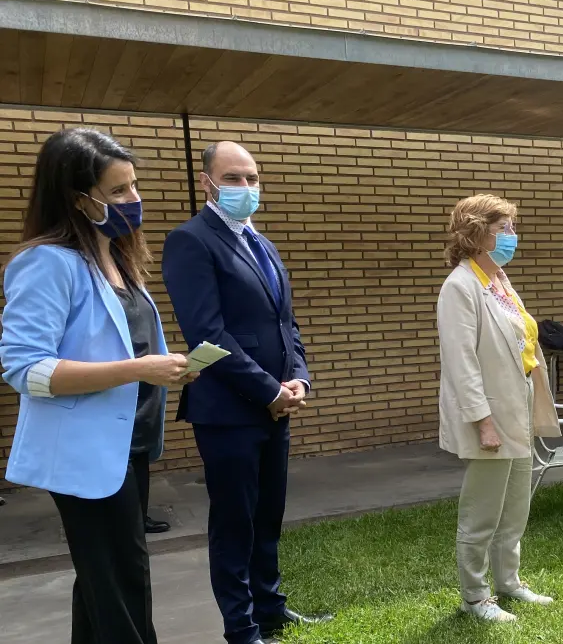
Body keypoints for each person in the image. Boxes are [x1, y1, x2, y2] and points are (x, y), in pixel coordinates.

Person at [0, 128, 196, 644]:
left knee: (102, 580)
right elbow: (26, 369)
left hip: (130, 444)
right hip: (84, 453)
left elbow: (129, 348)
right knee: (122, 580)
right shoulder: (46, 263)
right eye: (118, 190)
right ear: (77, 198)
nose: (134, 199)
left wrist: (170, 367)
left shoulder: (118, 258)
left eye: (134, 186)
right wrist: (138, 369)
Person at [161, 141, 327, 644]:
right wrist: (267, 390)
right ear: (207, 182)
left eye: (252, 178)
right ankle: (242, 627)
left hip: (277, 407)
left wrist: (298, 378)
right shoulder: (191, 241)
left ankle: (271, 610)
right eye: (233, 178)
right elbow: (207, 334)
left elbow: (285, 324)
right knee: (235, 523)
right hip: (228, 411)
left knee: (267, 515)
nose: (246, 187)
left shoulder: (263, 244)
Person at [437, 194, 560, 623]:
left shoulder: (498, 279)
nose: (512, 235)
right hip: (488, 411)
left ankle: (509, 580)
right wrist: (483, 422)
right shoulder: (460, 286)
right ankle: (475, 596)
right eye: (503, 228)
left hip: (517, 401)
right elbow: (461, 363)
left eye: (512, 227)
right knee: (482, 509)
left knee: (515, 502)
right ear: (476, 232)